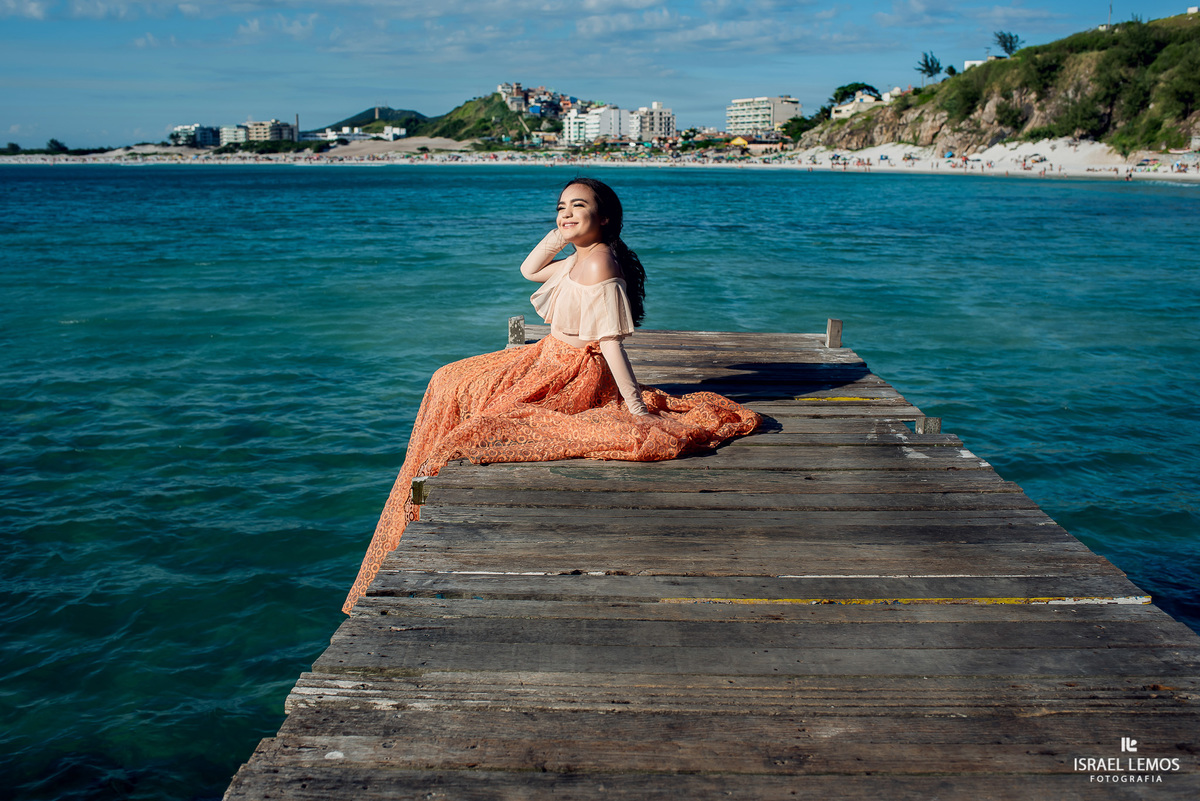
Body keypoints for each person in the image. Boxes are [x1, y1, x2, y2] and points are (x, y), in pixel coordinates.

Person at [341, 178, 760, 613]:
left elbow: (612, 344)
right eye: (561, 207)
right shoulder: (581, 256)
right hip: (543, 356)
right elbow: (528, 270)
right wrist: (559, 234)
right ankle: (420, 496)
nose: (566, 214)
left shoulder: (601, 265)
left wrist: (636, 410)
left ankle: (423, 495)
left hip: (572, 372)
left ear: (606, 218)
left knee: (479, 424)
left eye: (579, 207)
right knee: (447, 378)